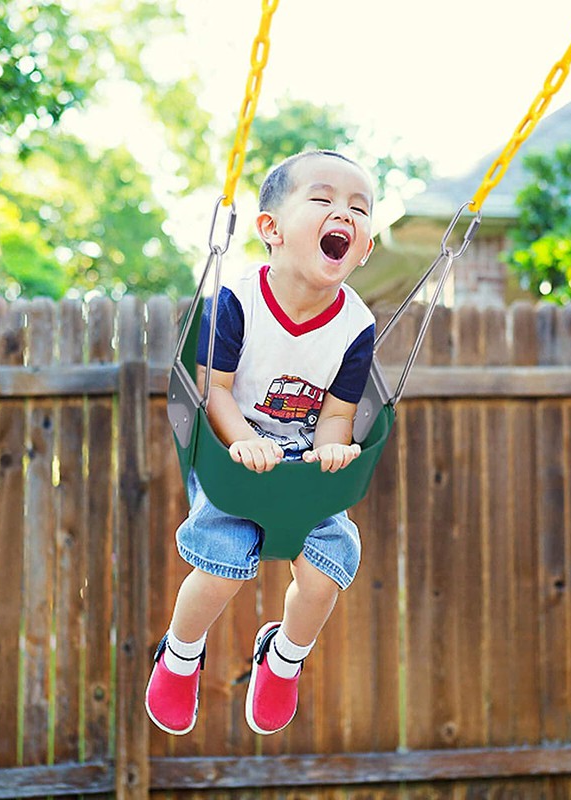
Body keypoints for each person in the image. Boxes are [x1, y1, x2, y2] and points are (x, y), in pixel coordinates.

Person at [145, 150, 376, 736]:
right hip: (230, 453)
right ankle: (180, 654)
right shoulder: (236, 299)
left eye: (359, 208)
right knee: (222, 560)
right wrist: (244, 442)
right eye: (322, 200)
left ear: (364, 248)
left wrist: (332, 449)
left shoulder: (357, 326)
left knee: (328, 571)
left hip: (299, 460)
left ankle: (284, 658)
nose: (343, 214)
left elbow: (336, 414)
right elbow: (214, 391)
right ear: (270, 229)